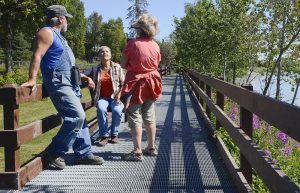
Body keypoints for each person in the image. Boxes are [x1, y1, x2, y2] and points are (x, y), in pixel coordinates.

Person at [21, 5, 104, 170]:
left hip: (70, 82)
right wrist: (32, 79)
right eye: (66, 18)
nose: (67, 22)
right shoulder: (46, 32)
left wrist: (84, 77)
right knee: (77, 116)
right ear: (60, 19)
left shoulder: (59, 37)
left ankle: (83, 153)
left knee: (80, 120)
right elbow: (37, 55)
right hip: (59, 82)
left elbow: (69, 65)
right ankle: (53, 152)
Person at [120, 14, 162, 161]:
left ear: (140, 29)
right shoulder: (155, 45)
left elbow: (123, 64)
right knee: (149, 116)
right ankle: (151, 148)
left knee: (135, 116)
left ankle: (137, 152)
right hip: (152, 83)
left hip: (136, 83)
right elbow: (156, 63)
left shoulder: (133, 44)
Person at [82, 46, 124, 146]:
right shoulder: (95, 68)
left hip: (116, 97)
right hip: (102, 98)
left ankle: (114, 134)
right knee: (100, 108)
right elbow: (80, 74)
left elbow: (124, 83)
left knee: (117, 110)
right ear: (99, 56)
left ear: (110, 54)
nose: (104, 53)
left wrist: (120, 94)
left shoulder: (117, 67)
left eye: (107, 51)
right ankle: (104, 136)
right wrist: (88, 78)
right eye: (102, 52)